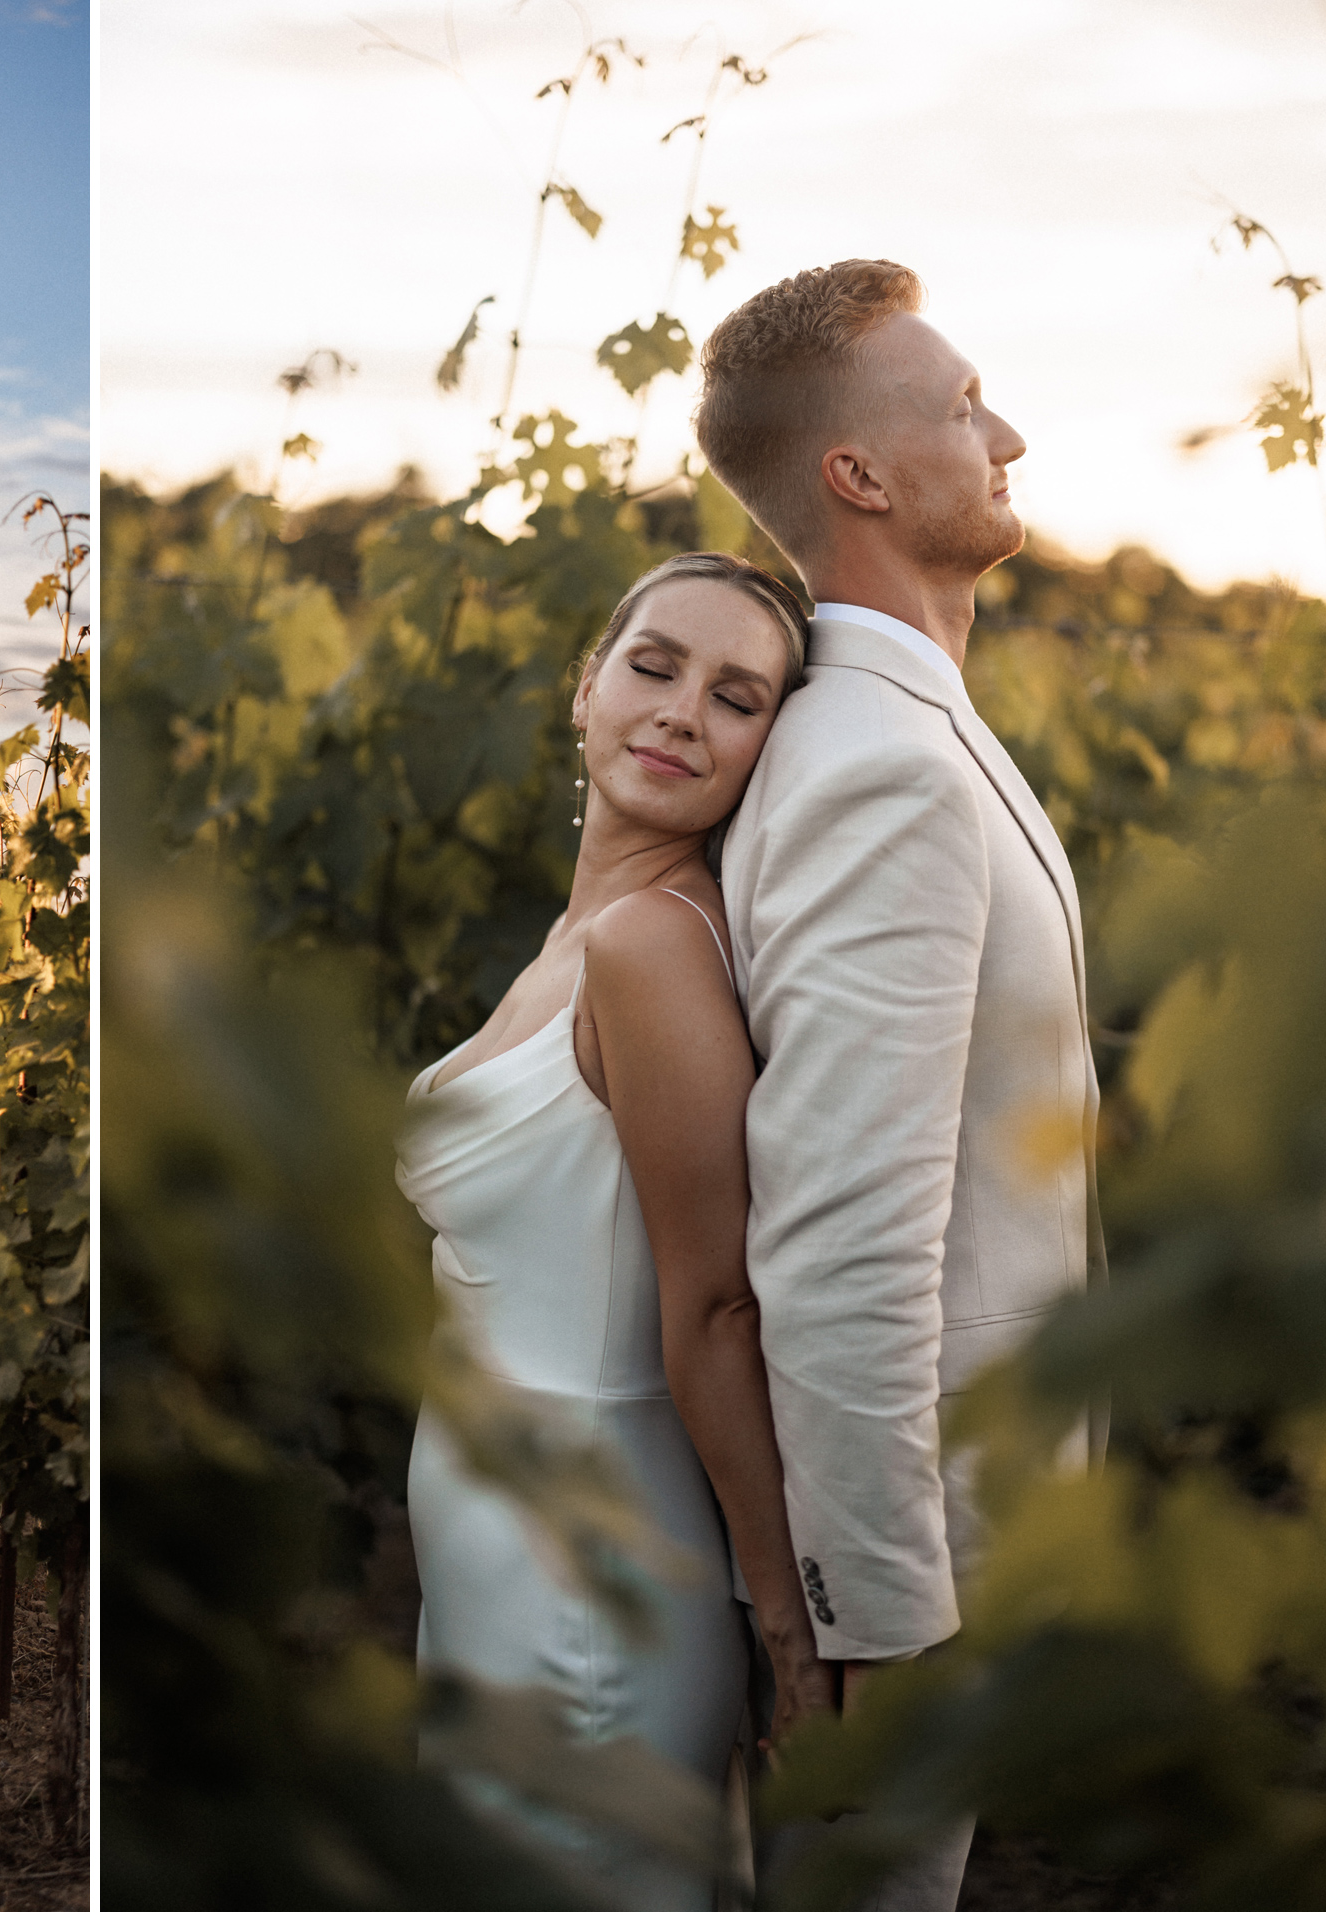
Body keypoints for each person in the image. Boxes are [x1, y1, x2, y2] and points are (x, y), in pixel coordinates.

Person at [695, 260, 1103, 1909]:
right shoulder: (877, 765)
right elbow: (845, 1234)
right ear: (856, 477)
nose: (1007, 430)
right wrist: (863, 1616)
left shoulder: (897, 730)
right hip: (908, 1563)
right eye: (958, 404)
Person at [396, 552, 827, 1910]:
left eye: (737, 696)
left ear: (769, 746)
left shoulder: (651, 944)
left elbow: (711, 1310)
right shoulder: (581, 931)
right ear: (586, 687)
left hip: (588, 1561)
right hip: (493, 1536)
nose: (683, 712)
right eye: (655, 666)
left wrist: (789, 1631)